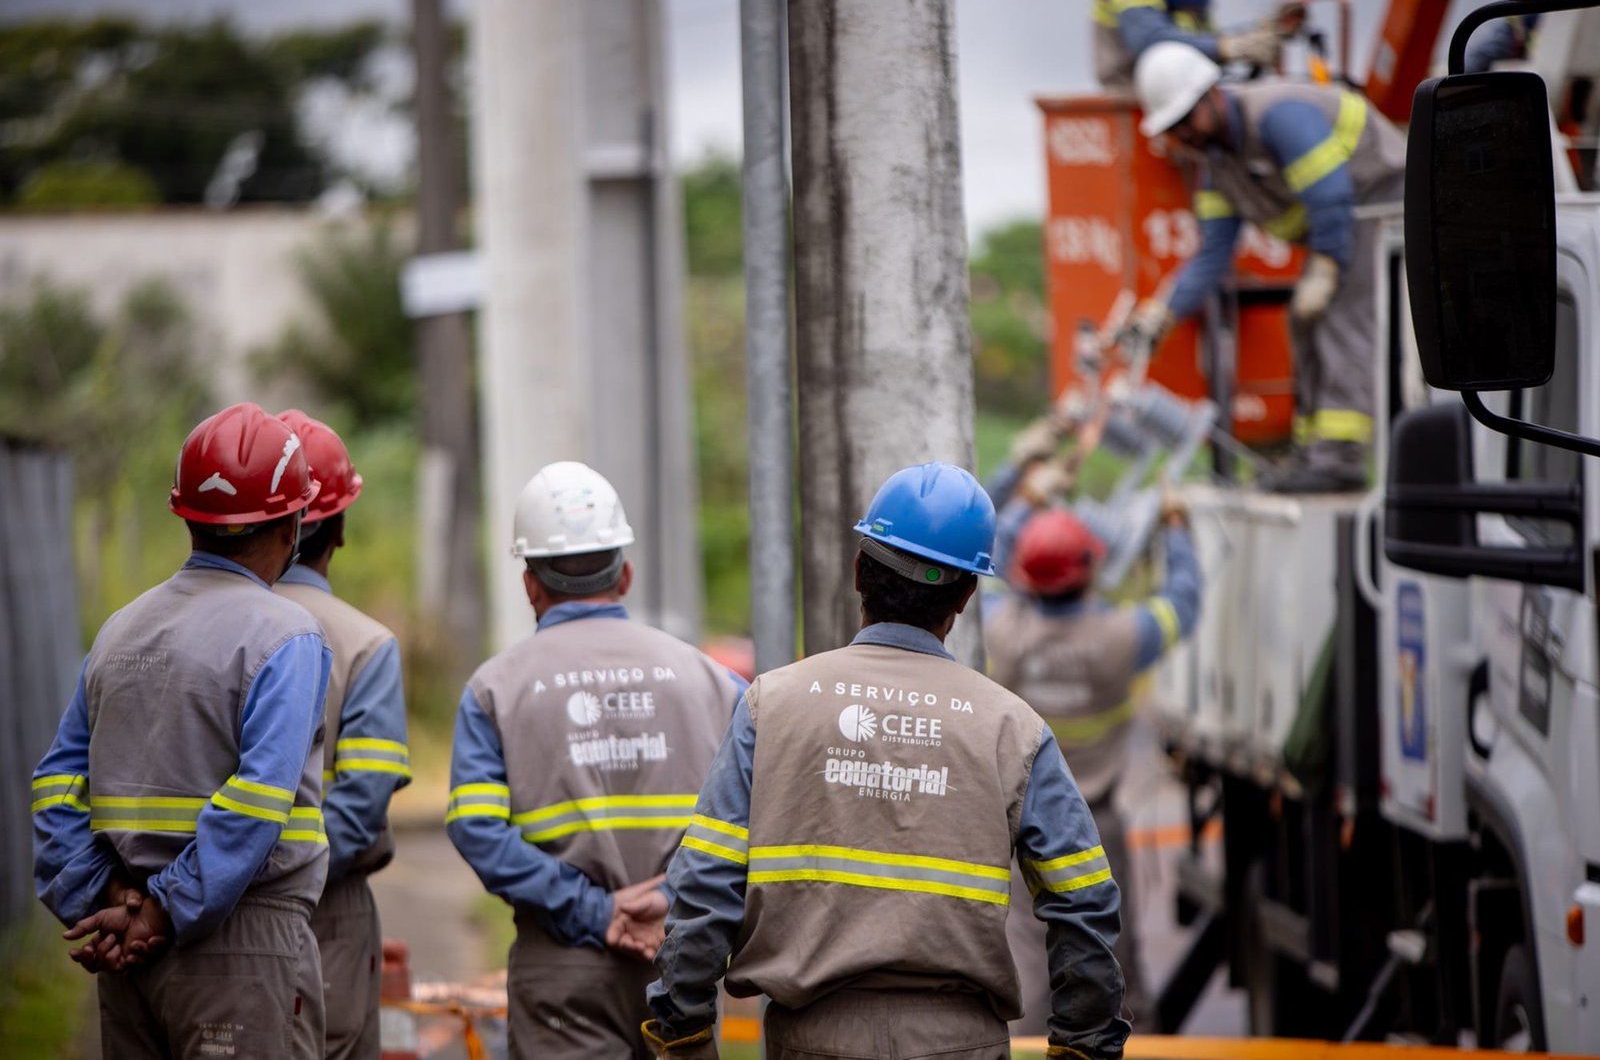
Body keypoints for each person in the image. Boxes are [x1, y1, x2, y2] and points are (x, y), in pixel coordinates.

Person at [643, 462, 1131, 1060]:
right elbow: (1083, 896)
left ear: (858, 572)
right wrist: (1084, 1042)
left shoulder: (772, 705)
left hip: (811, 1040)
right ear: (968, 593)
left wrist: (683, 1025)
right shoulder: (1011, 727)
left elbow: (704, 882)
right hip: (961, 1043)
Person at [32, 402, 333, 1058]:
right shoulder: (288, 637)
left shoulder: (119, 629)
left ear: (188, 517)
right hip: (241, 946)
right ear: (293, 522)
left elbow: (55, 784)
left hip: (127, 954)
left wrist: (110, 897)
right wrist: (162, 912)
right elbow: (257, 800)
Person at [445, 461, 743, 1060]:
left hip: (562, 973)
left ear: (531, 584)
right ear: (624, 574)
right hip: (682, 966)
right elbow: (753, 823)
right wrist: (668, 901)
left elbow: (477, 829)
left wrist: (593, 910)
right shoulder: (716, 683)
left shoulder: (494, 689)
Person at [1125, 41, 1406, 492]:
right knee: (1304, 319)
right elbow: (1213, 253)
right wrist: (1164, 312)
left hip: (1381, 202)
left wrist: (1328, 267)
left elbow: (1332, 193)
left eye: (1187, 120)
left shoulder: (1276, 115)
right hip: (1342, 220)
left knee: (1341, 316)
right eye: (1175, 128)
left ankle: (1341, 460)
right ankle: (1315, 453)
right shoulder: (1218, 168)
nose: (1186, 135)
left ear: (1212, 94)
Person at [984, 501, 1202, 1031]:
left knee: (1030, 970)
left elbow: (983, 564)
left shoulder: (1000, 630)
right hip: (1094, 826)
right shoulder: (1121, 638)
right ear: (1088, 571)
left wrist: (1025, 498)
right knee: (1111, 962)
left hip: (1018, 825)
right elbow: (1183, 601)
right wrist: (1175, 532)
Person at [274, 410, 411, 1060]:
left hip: (194, 914)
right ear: (339, 529)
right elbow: (362, 802)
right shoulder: (366, 644)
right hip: (326, 913)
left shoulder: (178, 630)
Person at [1093, 0, 1280, 94]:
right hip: (1131, 100)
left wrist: (1254, 38)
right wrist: (1230, 47)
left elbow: (1205, 40)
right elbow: (1149, 41)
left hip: (1189, 104)